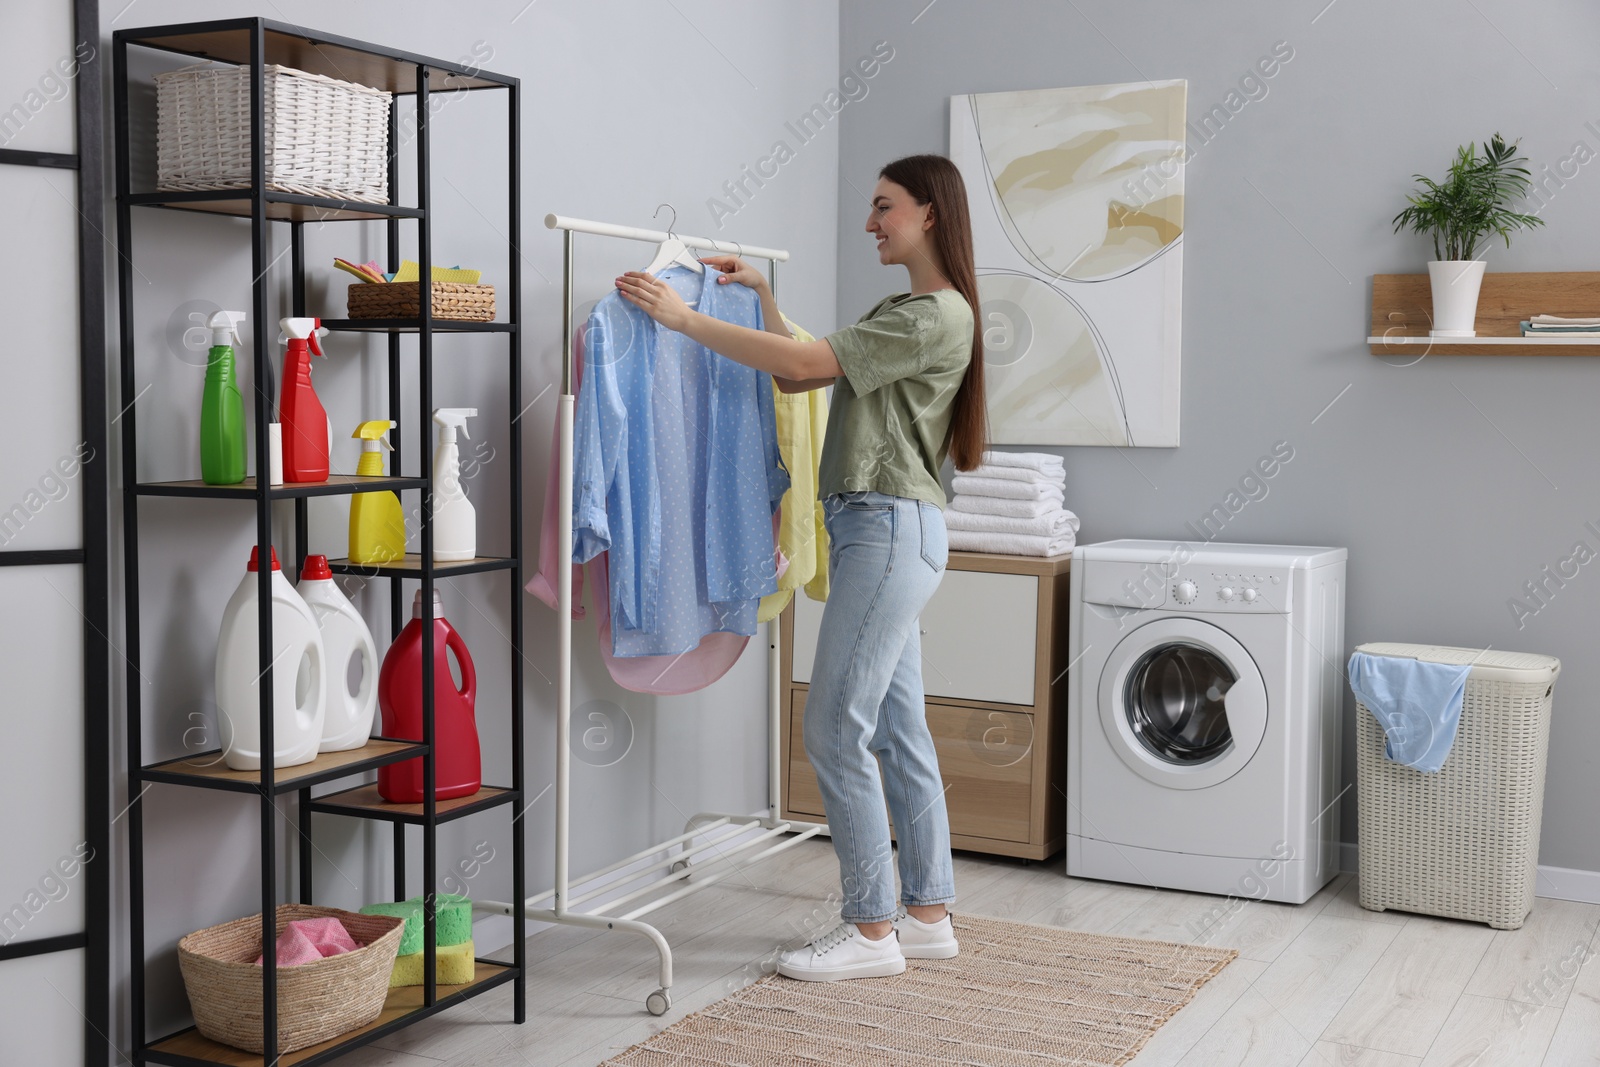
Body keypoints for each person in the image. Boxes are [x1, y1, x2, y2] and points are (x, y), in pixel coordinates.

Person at [614, 153, 988, 982]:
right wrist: (764, 300)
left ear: (929, 213)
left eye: (884, 206)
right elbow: (798, 372)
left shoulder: (932, 315)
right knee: (897, 728)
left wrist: (683, 319)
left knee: (830, 727)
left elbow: (811, 366)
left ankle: (869, 930)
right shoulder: (918, 310)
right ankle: (926, 915)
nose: (870, 222)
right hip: (892, 531)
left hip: (886, 531)